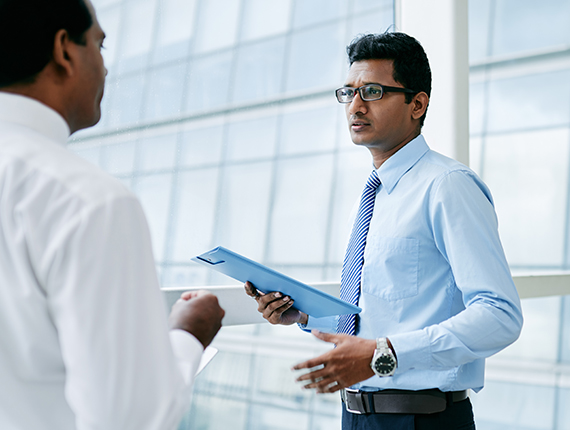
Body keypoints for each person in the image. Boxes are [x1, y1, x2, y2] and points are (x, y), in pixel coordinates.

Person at [245, 32, 523, 429]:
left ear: (417, 103)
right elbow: (387, 313)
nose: (355, 106)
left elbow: (500, 315)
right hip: (356, 414)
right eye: (348, 92)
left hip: (421, 419)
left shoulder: (447, 185)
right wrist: (304, 315)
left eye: (372, 91)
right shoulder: (375, 194)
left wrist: (383, 353)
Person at [0, 1, 224, 429]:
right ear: (65, 50)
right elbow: (132, 419)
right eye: (100, 46)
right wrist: (187, 336)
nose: (105, 68)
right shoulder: (87, 201)